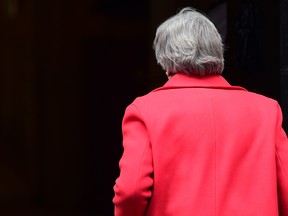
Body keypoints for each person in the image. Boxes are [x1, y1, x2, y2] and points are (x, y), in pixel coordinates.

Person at [112, 6, 288, 216]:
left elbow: (132, 191)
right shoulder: (266, 111)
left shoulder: (145, 111)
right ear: (217, 53)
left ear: (166, 62)